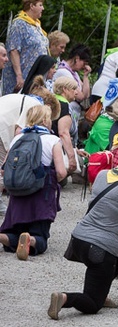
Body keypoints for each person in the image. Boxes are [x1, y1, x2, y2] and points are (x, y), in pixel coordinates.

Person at [46, 145, 118, 319]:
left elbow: (106, 209)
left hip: (79, 239)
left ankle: (101, 290)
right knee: (92, 304)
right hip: (99, 249)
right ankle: (64, 298)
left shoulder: (102, 174)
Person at [0, 106, 68, 259]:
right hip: (41, 194)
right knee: (40, 237)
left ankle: (3, 237)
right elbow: (61, 172)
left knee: (13, 231)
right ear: (45, 120)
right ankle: (30, 240)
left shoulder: (18, 138)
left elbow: (4, 169)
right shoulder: (53, 140)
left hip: (18, 193)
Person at [4, 0, 49, 95]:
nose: (43, 8)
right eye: (40, 5)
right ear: (32, 6)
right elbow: (14, 50)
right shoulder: (19, 24)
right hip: (24, 77)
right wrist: (19, 75)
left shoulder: (36, 25)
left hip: (36, 77)